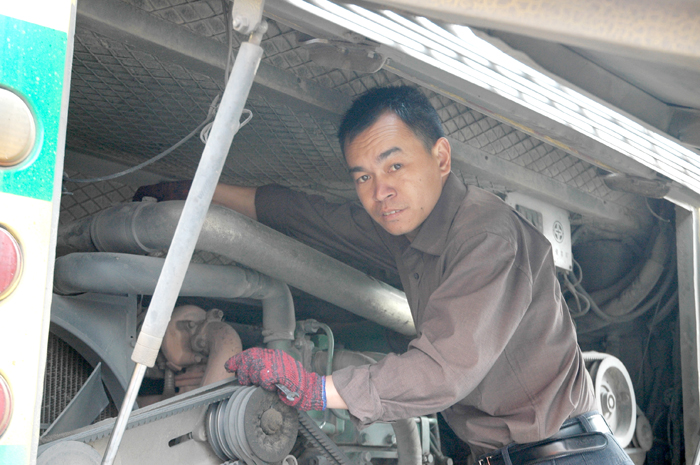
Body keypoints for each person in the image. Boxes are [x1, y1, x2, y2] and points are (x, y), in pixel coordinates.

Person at [135, 86, 632, 464]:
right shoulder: (410, 226)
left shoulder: (488, 238)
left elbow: (441, 371)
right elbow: (314, 218)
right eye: (363, 176)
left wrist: (314, 388)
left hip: (564, 454)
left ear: (441, 158)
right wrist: (197, 192)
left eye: (395, 167)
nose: (380, 191)